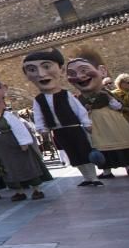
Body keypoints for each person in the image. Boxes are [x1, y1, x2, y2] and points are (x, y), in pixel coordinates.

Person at [22, 48, 99, 187]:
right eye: (32, 70)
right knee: (74, 155)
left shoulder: (66, 94)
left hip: (74, 128)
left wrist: (86, 122)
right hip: (58, 131)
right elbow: (38, 115)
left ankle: (93, 177)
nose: (40, 74)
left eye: (46, 67)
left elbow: (79, 109)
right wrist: (42, 128)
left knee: (85, 152)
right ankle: (86, 177)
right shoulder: (38, 100)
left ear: (61, 70)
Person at [0, 74, 48, 201]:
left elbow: (19, 128)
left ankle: (36, 190)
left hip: (15, 146)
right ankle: (19, 191)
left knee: (25, 166)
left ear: (3, 90)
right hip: (0, 149)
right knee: (8, 169)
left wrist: (24, 142)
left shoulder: (7, 115)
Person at [66, 54, 129, 178]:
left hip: (114, 120)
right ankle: (107, 170)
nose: (80, 76)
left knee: (122, 141)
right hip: (96, 122)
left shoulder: (106, 93)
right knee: (102, 145)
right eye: (72, 73)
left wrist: (109, 98)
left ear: (101, 71)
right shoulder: (80, 98)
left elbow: (118, 106)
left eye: (84, 70)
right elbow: (79, 112)